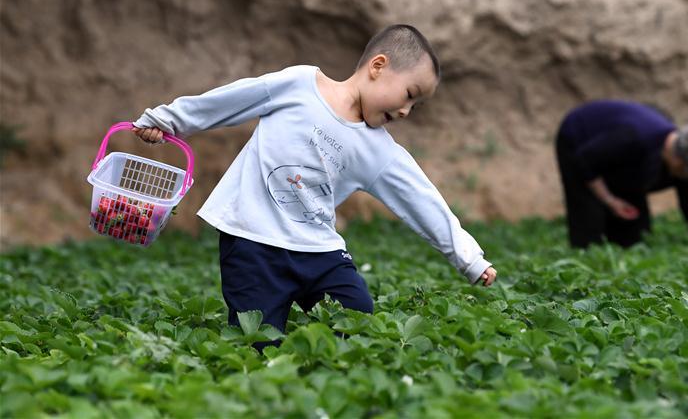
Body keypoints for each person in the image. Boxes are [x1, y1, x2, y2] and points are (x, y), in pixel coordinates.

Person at [132, 24, 497, 347]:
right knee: (256, 341)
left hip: (317, 252)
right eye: (409, 94)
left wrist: (468, 258)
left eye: (416, 105)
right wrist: (167, 121)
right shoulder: (300, 84)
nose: (406, 111)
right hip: (251, 244)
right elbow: (230, 100)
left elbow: (420, 197)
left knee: (356, 314)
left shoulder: (378, 149)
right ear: (378, 66)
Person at [555, 100, 688, 248]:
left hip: (619, 158)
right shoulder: (634, 138)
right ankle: (586, 259)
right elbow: (585, 162)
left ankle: (621, 262)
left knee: (635, 233)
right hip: (578, 140)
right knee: (589, 219)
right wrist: (610, 201)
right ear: (681, 163)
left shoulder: (680, 153)